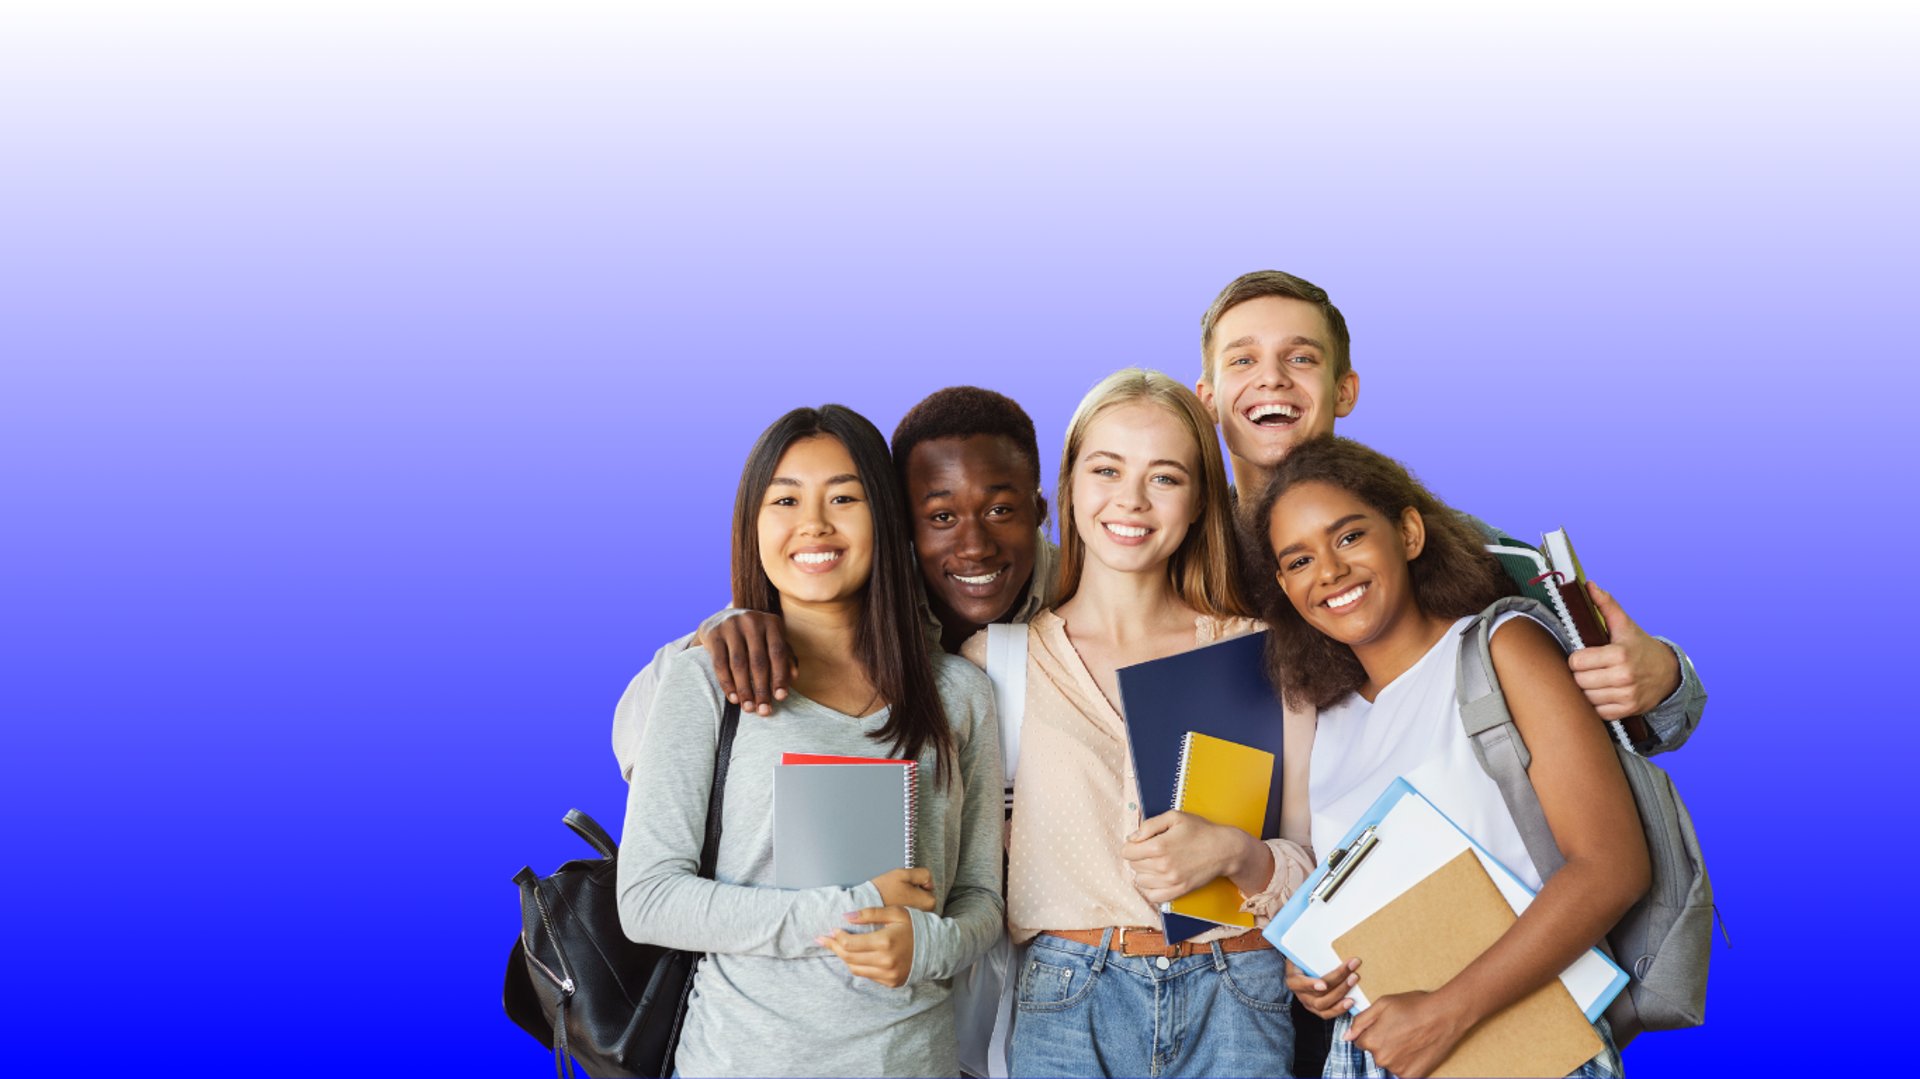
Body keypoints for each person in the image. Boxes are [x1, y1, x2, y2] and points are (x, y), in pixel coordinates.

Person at [615, 404, 1005, 1078]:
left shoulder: (959, 694)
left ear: (884, 517)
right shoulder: (706, 678)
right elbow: (647, 898)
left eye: (844, 497)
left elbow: (981, 900)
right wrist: (853, 907)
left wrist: (928, 943)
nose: (814, 523)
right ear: (753, 524)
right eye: (786, 498)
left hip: (913, 1061)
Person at [1256, 436, 1650, 1079]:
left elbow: (1612, 868)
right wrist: (1316, 971)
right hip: (1372, 1057)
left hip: (1525, 1050)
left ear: (1409, 532)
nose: (1327, 571)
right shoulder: (1325, 718)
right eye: (1298, 560)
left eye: (1349, 537)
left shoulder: (1501, 647)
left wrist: (1447, 1012)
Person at [958, 369, 1313, 1078]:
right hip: (1066, 998)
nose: (1131, 499)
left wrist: (1238, 855)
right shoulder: (998, 661)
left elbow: (1316, 859)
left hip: (1238, 990)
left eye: (1165, 477)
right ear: (1069, 486)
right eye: (1107, 469)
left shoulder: (1263, 653)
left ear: (1199, 500)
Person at [1193, 269, 1706, 756]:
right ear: (1209, 401)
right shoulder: (1179, 559)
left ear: (1344, 391)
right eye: (1242, 360)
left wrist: (1661, 679)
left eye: (1300, 358)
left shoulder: (1458, 548)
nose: (1272, 379)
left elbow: (1628, 723)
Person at [610, 386, 1054, 780]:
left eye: (1000, 511)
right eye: (941, 517)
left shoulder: (1083, 593)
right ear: (899, 522)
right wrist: (711, 638)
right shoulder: (849, 600)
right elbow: (638, 747)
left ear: (1039, 510)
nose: (974, 547)